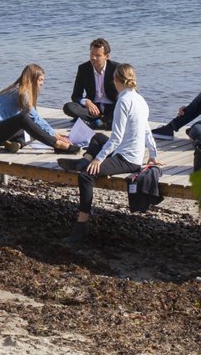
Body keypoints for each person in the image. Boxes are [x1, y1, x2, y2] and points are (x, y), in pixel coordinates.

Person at [60, 63, 158, 245]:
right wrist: (153, 154)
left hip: (127, 159)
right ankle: (83, 161)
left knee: (86, 177)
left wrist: (99, 159)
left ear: (116, 80)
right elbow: (147, 130)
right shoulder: (140, 100)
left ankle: (81, 226)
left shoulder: (123, 101)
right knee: (97, 137)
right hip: (131, 153)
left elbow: (116, 138)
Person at [0, 64, 80, 153]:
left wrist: (54, 133)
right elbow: (35, 117)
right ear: (32, 79)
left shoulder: (20, 90)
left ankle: (17, 143)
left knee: (35, 129)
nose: (42, 83)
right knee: (24, 118)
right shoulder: (19, 92)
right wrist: (56, 136)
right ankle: (57, 144)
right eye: (40, 80)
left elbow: (35, 122)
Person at [62, 37, 120, 130]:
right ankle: (102, 122)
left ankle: (97, 122)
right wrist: (87, 102)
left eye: (98, 55)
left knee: (122, 108)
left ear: (107, 56)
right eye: (92, 54)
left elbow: (128, 94)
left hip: (112, 108)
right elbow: (75, 96)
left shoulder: (117, 68)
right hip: (92, 108)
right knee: (68, 107)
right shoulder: (83, 68)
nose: (93, 58)